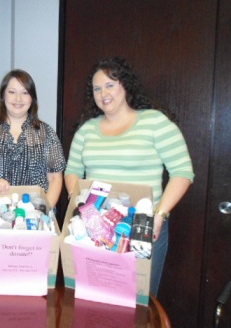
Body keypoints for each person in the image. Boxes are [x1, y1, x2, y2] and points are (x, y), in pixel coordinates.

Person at [64, 57, 194, 296]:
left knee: (137, 302)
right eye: (97, 88)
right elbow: (72, 171)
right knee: (94, 297)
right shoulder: (86, 130)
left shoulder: (155, 123)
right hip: (96, 227)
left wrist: (160, 214)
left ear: (125, 84)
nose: (103, 93)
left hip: (142, 226)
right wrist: (81, 205)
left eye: (110, 85)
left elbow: (182, 172)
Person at [0, 69, 66, 208]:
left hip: (35, 215)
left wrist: (46, 209)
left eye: (25, 93)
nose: (18, 99)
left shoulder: (46, 133)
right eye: (12, 92)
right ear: (3, 96)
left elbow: (55, 178)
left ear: (32, 98)